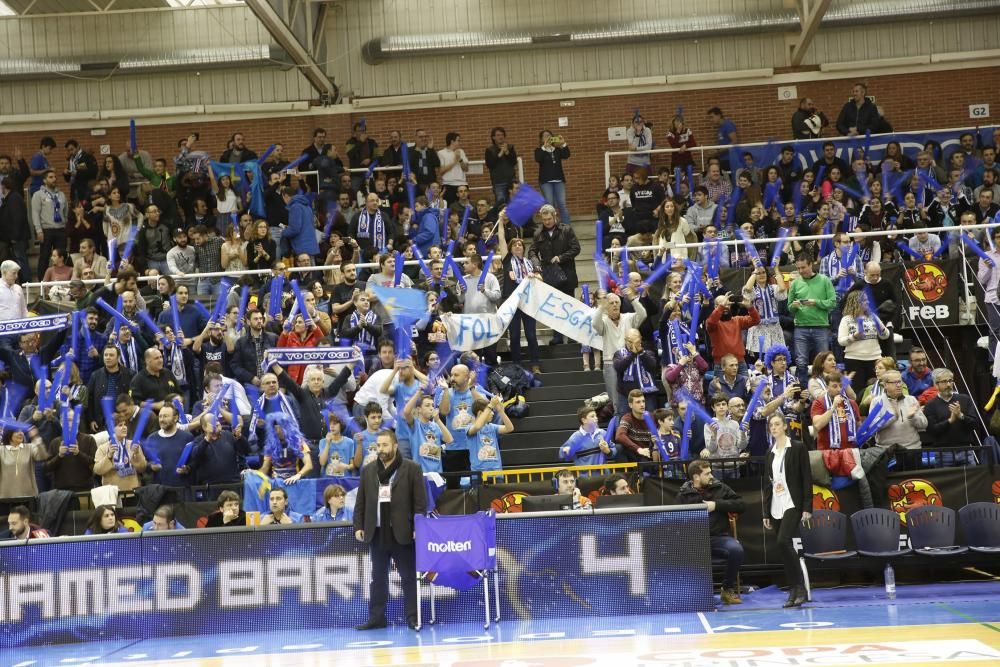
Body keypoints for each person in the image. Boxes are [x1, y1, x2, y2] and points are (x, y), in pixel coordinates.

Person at [354, 429, 427, 630]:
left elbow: (420, 503)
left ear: (395, 446)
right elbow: (361, 502)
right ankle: (376, 618)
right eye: (378, 446)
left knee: (409, 578)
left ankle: (413, 617)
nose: (381, 449)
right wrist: (358, 525)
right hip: (376, 532)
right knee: (377, 578)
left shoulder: (411, 468)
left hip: (402, 531)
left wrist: (417, 527)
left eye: (385, 445)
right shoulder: (368, 471)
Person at [677, 459, 746, 605]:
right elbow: (677, 520)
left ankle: (727, 589)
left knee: (736, 550)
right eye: (707, 474)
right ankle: (696, 592)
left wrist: (716, 505)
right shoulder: (683, 495)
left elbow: (741, 504)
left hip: (718, 538)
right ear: (696, 477)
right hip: (693, 540)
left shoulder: (720, 487)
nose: (711, 476)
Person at [762, 413, 812, 608]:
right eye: (771, 425)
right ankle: (793, 590)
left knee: (783, 541)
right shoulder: (770, 452)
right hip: (776, 503)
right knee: (783, 548)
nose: (773, 428)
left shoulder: (798, 447)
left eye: (776, 424)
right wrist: (765, 512)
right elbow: (768, 484)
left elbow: (806, 478)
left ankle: (800, 587)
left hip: (793, 502)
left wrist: (807, 507)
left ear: (784, 426)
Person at [788, 257, 836, 386]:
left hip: (821, 327)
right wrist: (794, 306)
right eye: (798, 268)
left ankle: (827, 390)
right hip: (800, 327)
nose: (801, 270)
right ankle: (802, 394)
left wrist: (816, 302)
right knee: (801, 362)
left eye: (803, 267)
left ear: (811, 265)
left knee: (824, 362)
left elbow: (832, 302)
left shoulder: (825, 280)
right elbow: (789, 307)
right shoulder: (795, 283)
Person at [871, 370, 927, 470]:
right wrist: (891, 418)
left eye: (900, 381)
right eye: (894, 382)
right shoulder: (877, 402)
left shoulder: (911, 400)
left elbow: (924, 425)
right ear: (885, 385)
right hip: (886, 452)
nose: (899, 385)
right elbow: (872, 427)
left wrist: (912, 417)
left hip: (912, 450)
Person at [923, 368, 978, 452]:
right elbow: (932, 431)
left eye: (950, 381)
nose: (948, 384)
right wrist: (950, 421)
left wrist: (961, 415)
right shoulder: (930, 405)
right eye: (944, 381)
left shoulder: (965, 399)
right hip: (943, 453)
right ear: (936, 385)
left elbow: (975, 424)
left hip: (965, 450)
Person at [535, 130, 571, 226]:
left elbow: (566, 155)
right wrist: (544, 147)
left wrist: (563, 143)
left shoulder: (557, 150)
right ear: (541, 139)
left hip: (559, 180)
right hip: (546, 181)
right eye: (545, 136)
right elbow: (538, 158)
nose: (547, 137)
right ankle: (552, 226)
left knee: (562, 204)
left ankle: (566, 227)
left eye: (549, 136)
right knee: (550, 204)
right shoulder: (539, 150)